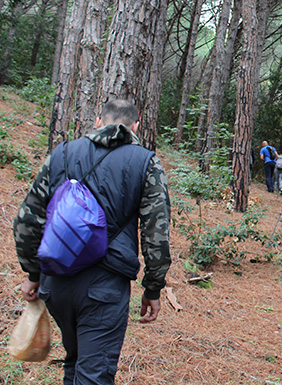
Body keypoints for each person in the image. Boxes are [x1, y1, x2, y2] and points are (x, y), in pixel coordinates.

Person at [13, 99, 171, 384]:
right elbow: (156, 234)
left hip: (56, 283)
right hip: (104, 287)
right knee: (94, 372)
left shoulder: (62, 153)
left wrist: (33, 273)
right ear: (135, 126)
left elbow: (27, 219)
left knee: (74, 361)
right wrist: (153, 287)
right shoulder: (146, 162)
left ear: (99, 121)